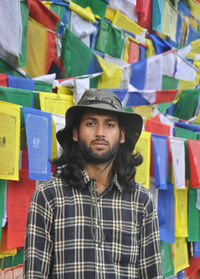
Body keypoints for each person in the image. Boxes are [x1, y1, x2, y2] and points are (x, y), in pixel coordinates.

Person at [23, 89, 163, 278]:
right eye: (90, 123)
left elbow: (152, 273)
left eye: (109, 124)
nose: (100, 133)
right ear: (75, 133)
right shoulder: (49, 196)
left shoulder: (141, 201)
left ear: (122, 135)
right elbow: (34, 274)